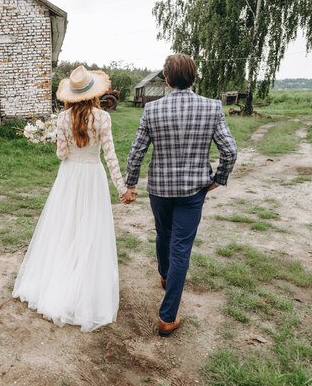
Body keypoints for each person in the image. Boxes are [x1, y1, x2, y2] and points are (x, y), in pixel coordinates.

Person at [121, 54, 237, 337]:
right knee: (181, 247)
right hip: (193, 190)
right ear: (194, 77)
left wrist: (131, 183)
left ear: (167, 79)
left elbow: (137, 151)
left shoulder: (152, 110)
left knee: (163, 233)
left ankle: (164, 274)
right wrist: (217, 179)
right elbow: (230, 150)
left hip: (160, 189)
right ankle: (167, 316)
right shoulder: (212, 107)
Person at [12, 66, 127, 332]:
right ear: (94, 93)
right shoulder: (102, 118)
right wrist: (121, 188)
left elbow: (62, 155)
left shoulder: (63, 119)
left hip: (69, 176)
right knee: (90, 227)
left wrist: (59, 146)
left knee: (65, 227)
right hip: (92, 176)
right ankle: (85, 282)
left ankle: (59, 280)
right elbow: (110, 156)